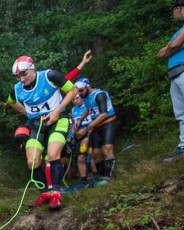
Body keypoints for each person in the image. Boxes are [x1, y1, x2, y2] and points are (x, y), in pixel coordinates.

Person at [7, 55, 78, 210]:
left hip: (58, 120)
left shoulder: (49, 76)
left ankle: (56, 194)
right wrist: (27, 114)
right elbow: (11, 102)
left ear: (32, 69)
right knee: (32, 161)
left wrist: (58, 111)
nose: (21, 79)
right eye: (17, 76)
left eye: (24, 74)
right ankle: (45, 193)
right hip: (36, 124)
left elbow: (73, 90)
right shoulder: (17, 89)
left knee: (53, 154)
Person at [157, 0, 184, 162]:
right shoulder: (179, 30)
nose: (173, 14)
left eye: (173, 11)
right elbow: (160, 54)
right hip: (175, 74)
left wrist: (174, 46)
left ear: (179, 8)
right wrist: (177, 46)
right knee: (182, 113)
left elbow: (172, 45)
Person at [73, 77, 117, 181]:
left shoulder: (99, 95)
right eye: (77, 92)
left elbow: (104, 114)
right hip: (96, 126)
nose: (79, 94)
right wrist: (80, 120)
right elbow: (89, 109)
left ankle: (109, 176)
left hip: (107, 123)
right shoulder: (85, 97)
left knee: (107, 148)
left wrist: (87, 128)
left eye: (81, 91)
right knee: (95, 153)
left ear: (87, 87)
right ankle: (101, 175)